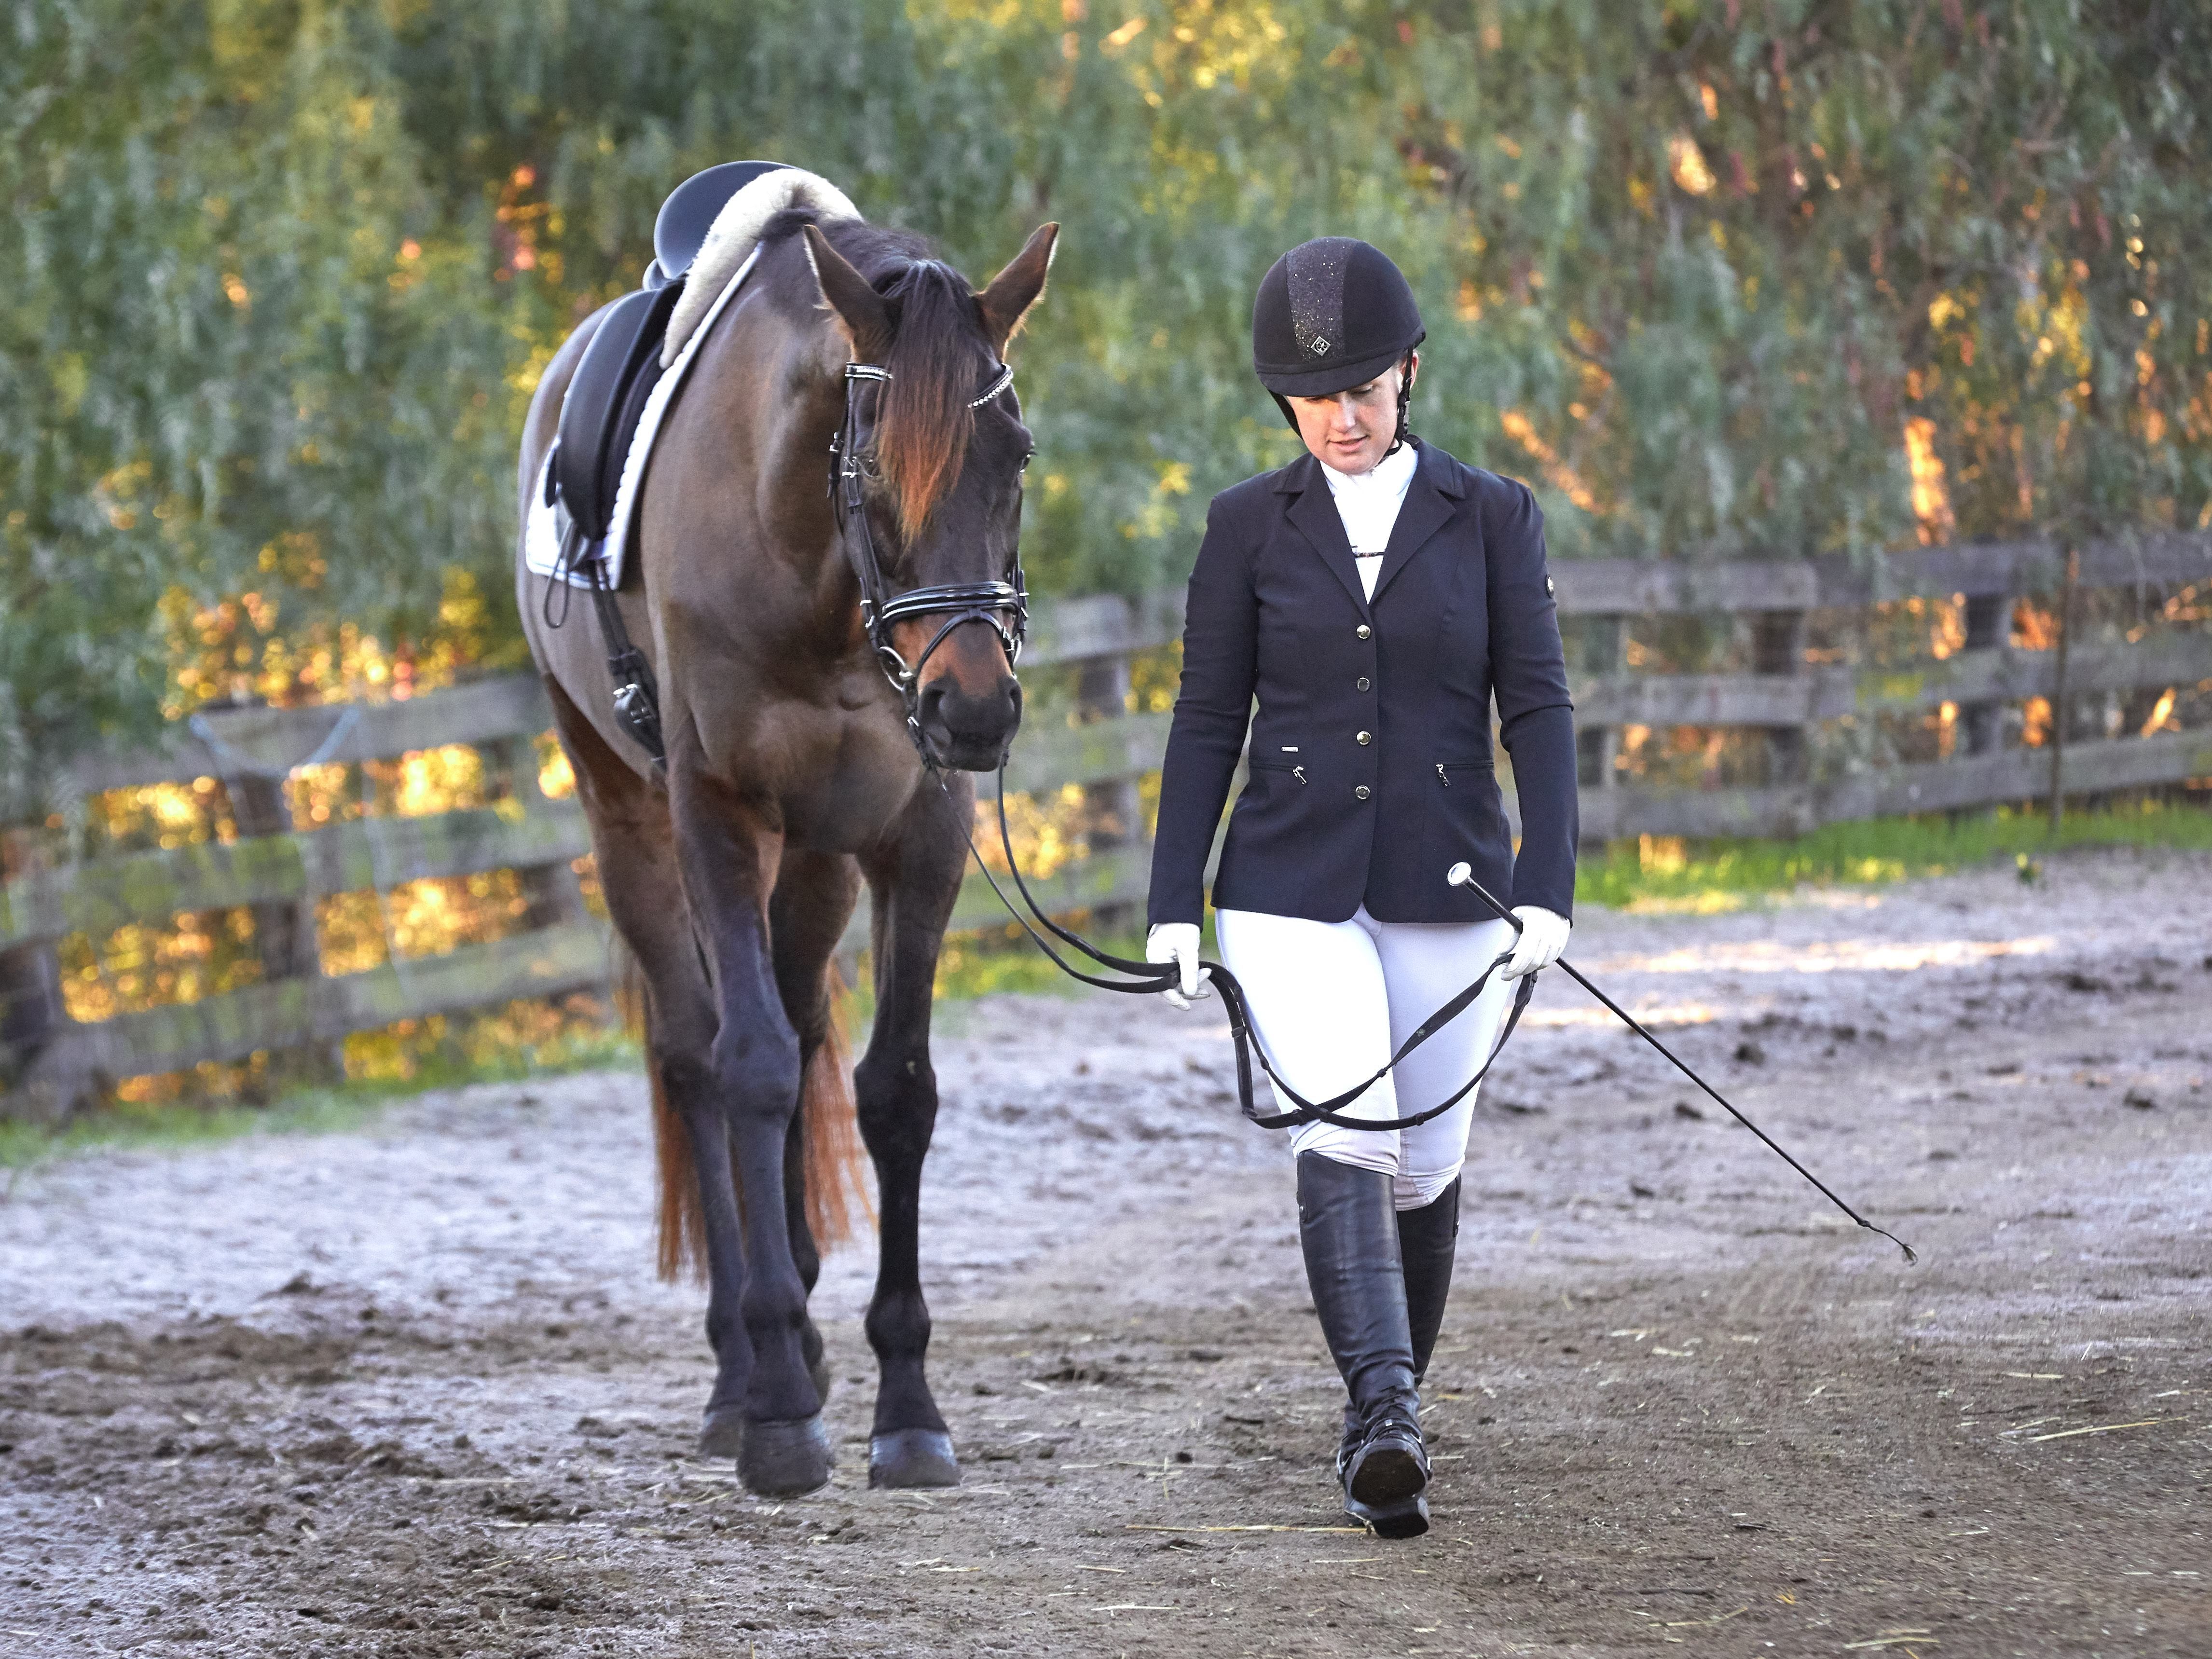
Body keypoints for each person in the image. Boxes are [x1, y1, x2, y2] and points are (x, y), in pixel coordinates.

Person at [1145, 238, 1579, 1539]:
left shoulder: (1493, 516)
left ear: (1407, 375)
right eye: (1311, 396)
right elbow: (1205, 718)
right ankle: (1384, 1416)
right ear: (1283, 399)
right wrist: (1176, 900)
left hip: (1451, 885)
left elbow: (1541, 710)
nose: (1339, 417)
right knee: (1352, 1120)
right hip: (1285, 886)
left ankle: (1384, 1410)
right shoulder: (1242, 527)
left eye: (1363, 392)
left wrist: (1546, 887)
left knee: (1426, 1162)